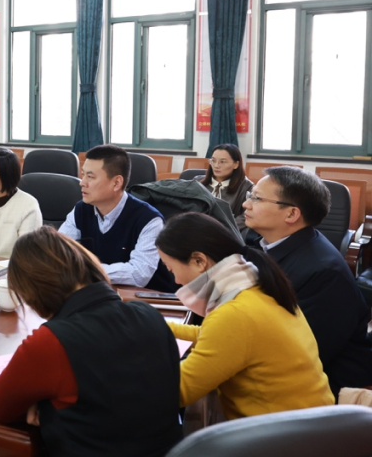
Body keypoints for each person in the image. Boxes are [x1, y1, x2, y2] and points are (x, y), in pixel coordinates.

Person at [0, 226, 182, 457]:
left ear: (31, 290)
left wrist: (45, 405)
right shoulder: (150, 315)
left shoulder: (52, 341)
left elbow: (2, 406)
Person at [158, 212, 335, 418]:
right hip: (311, 423)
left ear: (199, 261)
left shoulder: (234, 314)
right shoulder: (257, 287)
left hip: (284, 433)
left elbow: (177, 392)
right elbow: (219, 338)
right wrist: (157, 325)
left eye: (172, 270)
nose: (177, 281)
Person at [242, 166, 372, 395]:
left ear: (291, 214)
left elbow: (301, 354)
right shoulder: (265, 244)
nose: (246, 204)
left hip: (318, 387)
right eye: (250, 196)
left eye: (257, 199)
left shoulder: (324, 273)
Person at [58, 144, 176, 292]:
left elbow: (139, 274)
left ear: (116, 183)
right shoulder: (81, 210)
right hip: (98, 293)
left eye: (90, 177)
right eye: (83, 175)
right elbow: (58, 254)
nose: (82, 182)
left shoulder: (149, 220)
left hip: (144, 299)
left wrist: (84, 270)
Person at [194, 144, 254, 230]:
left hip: (226, 232)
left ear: (236, 164)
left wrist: (223, 229)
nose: (216, 165)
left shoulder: (246, 187)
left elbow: (246, 215)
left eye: (222, 162)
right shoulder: (197, 182)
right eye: (213, 161)